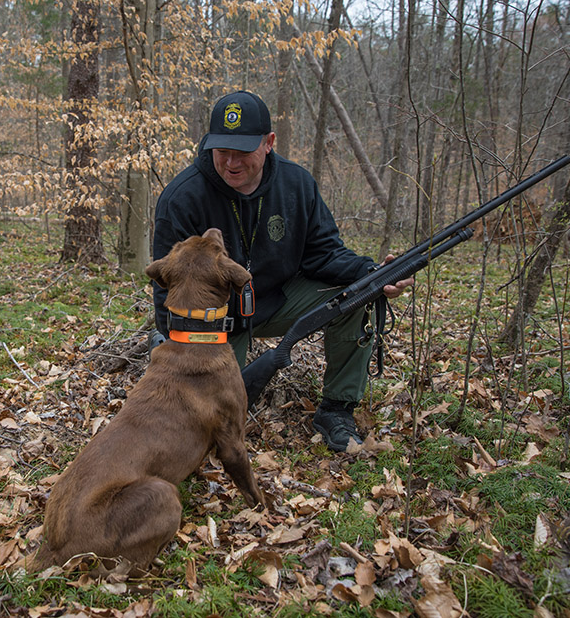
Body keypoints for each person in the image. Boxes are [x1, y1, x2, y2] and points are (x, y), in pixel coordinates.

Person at [150, 90, 413, 452]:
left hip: (279, 299)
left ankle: (337, 410)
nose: (230, 162)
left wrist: (373, 272)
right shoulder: (182, 197)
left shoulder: (297, 184)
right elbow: (166, 292)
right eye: (222, 151)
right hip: (215, 321)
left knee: (358, 294)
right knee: (210, 429)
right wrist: (182, 350)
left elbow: (324, 253)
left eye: (242, 151)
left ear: (269, 142)